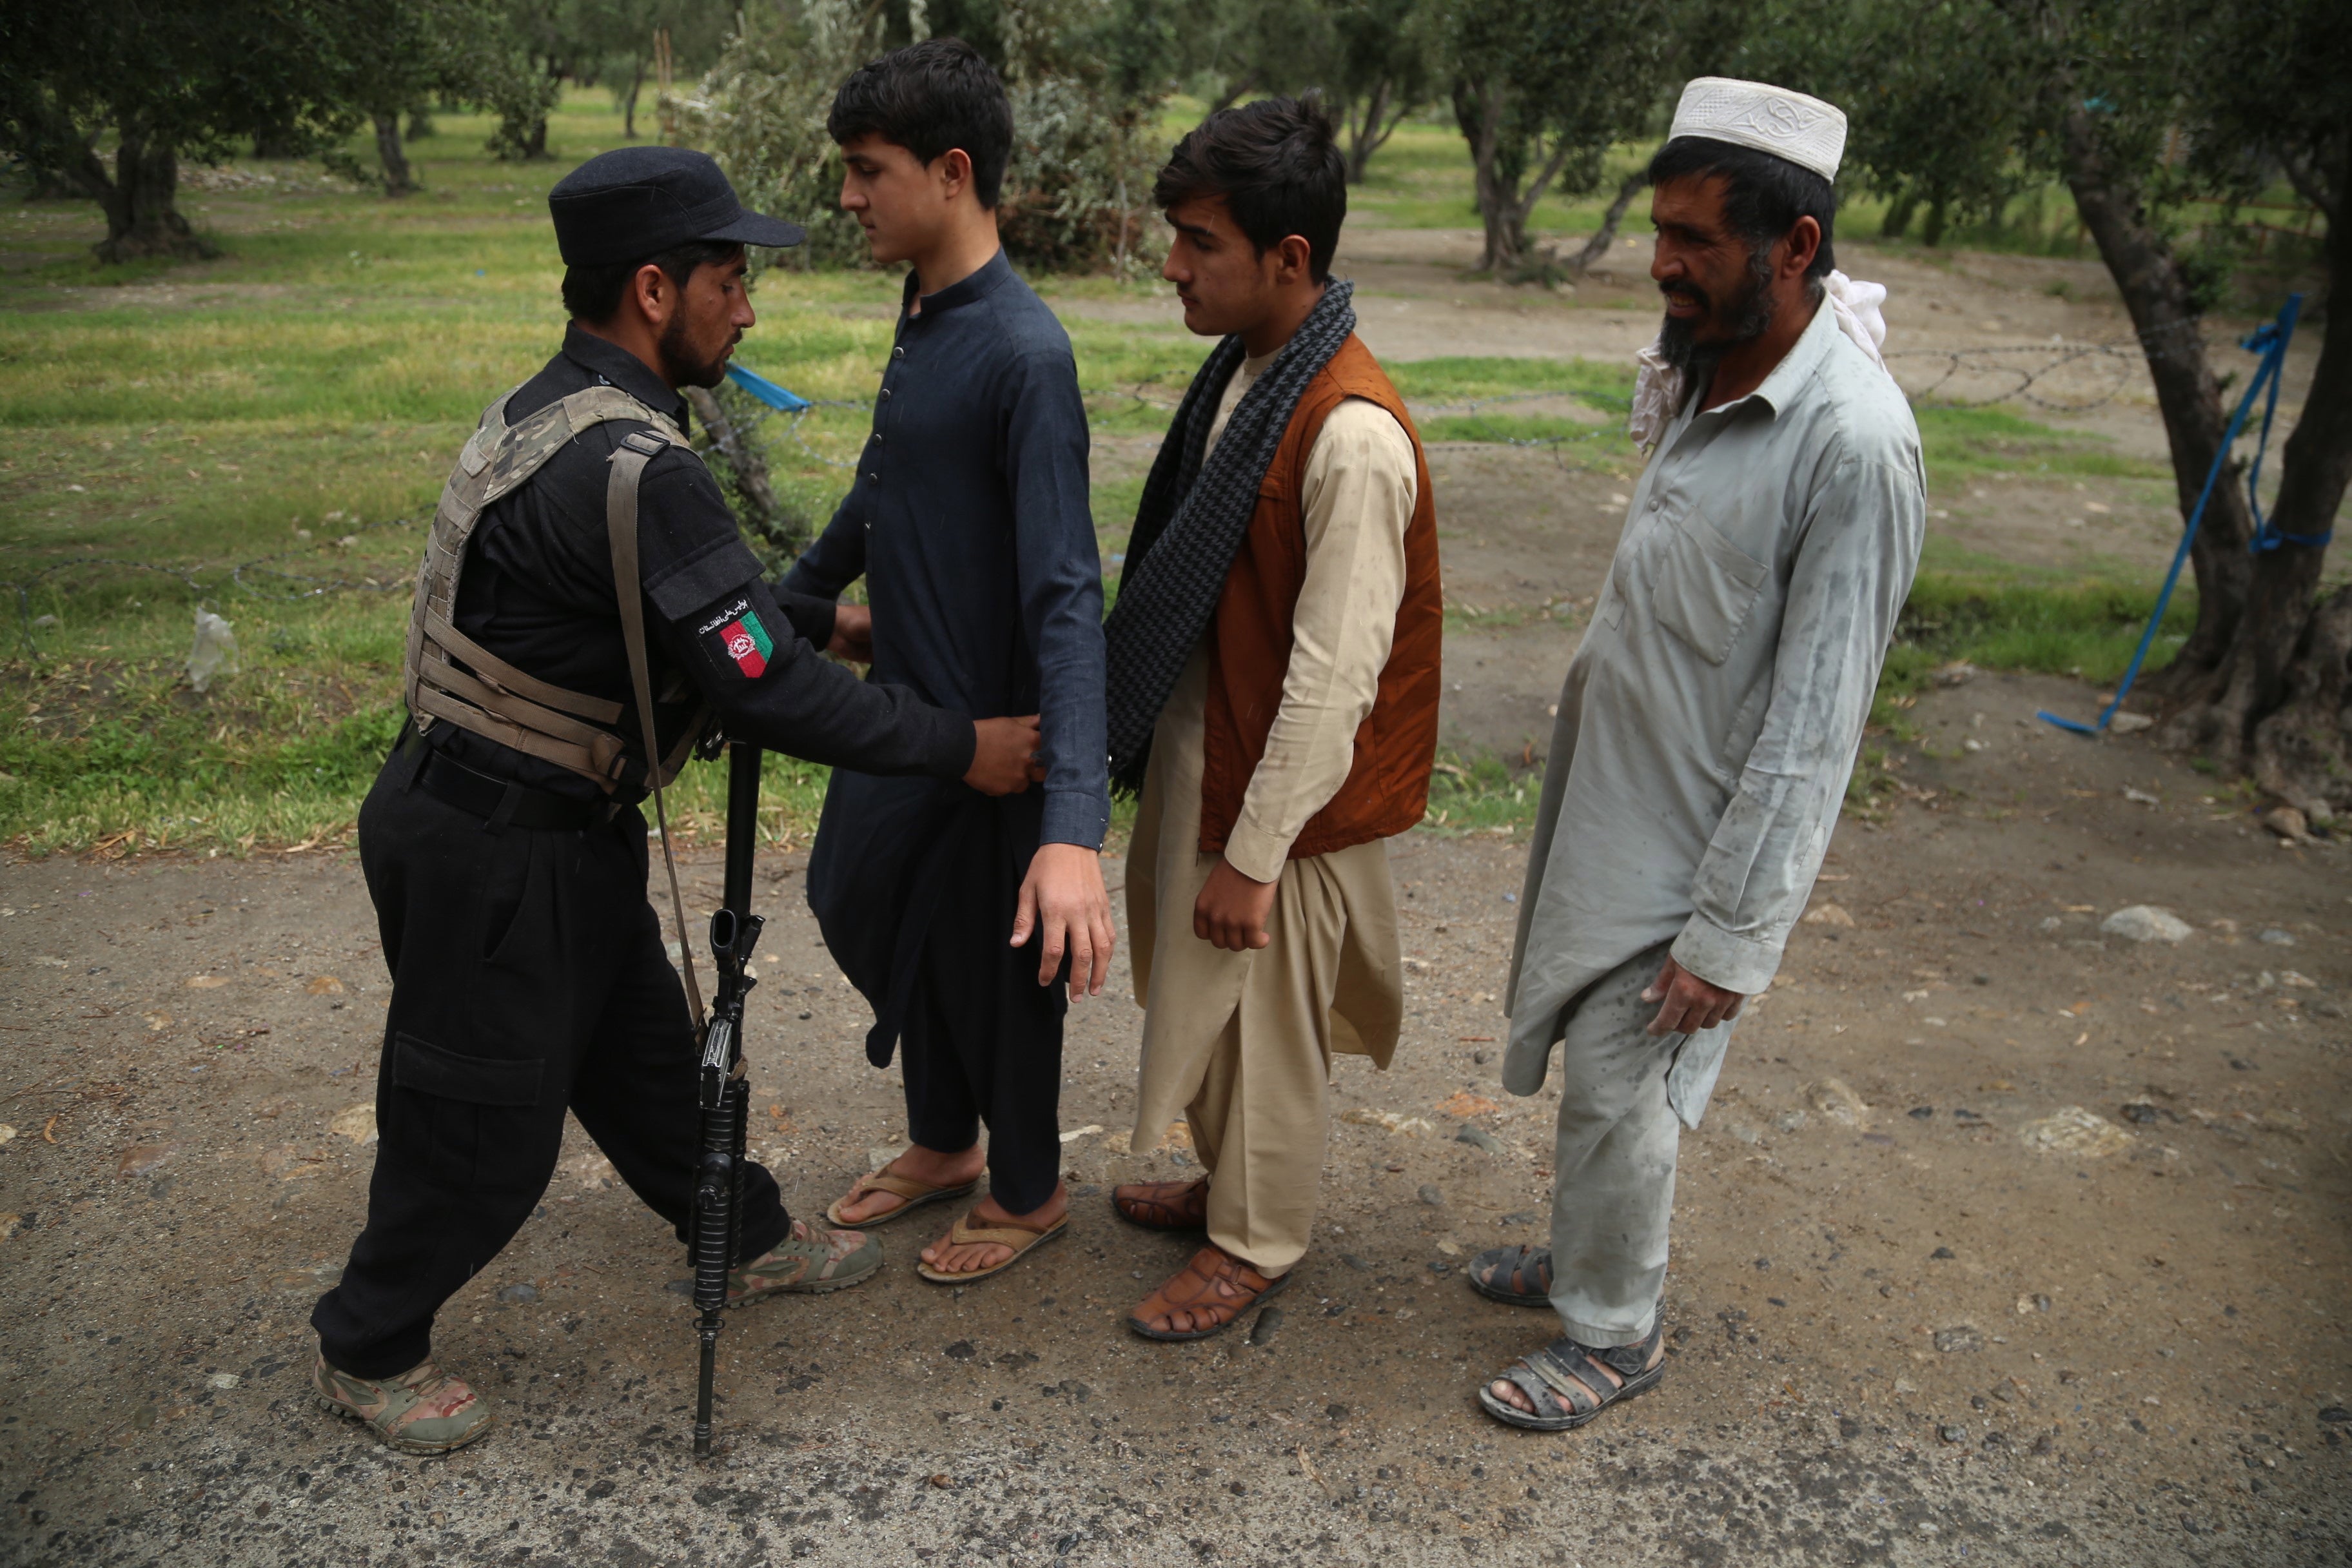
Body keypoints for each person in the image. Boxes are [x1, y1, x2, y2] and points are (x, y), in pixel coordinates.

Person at [309, 146, 1043, 1455]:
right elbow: (765, 689)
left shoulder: (567, 409)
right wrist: (962, 747)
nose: (746, 309)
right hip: (494, 847)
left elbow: (714, 614)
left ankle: (746, 1238)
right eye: (729, 279)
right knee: (482, 1116)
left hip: (535, 827)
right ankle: (369, 1339)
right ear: (654, 289)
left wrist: (828, 617)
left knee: (647, 1054)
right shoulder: (635, 463)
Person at [1469, 77, 1925, 1431]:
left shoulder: (1853, 441)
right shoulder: (1704, 365)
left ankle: (1614, 1332)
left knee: (1628, 1076)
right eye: (1659, 231)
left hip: (1697, 843)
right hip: (1614, 801)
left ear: (1794, 248)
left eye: (1694, 240)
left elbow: (1818, 722)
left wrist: (1732, 932)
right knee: (1594, 1068)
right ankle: (1595, 1247)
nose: (1662, 262)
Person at [1101, 96, 1442, 1340]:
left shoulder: (1350, 433)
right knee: (1206, 1003)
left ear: (1288, 260)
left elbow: (1334, 679)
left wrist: (1255, 855)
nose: (1174, 268)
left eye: (1200, 244)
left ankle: (1256, 1238)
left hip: (1283, 801)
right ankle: (1225, 1181)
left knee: (1267, 1017)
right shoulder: (1249, 372)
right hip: (1218, 757)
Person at [790, 40, 1114, 1286]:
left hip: (1002, 735)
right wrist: (810, 605)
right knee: (866, 899)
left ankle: (1027, 1189)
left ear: (953, 171)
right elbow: (884, 487)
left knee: (995, 962)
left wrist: (1071, 825)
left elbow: (1068, 595)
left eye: (869, 172)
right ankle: (943, 1142)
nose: (851, 197)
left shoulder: (1027, 355)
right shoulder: (924, 311)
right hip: (910, 707)